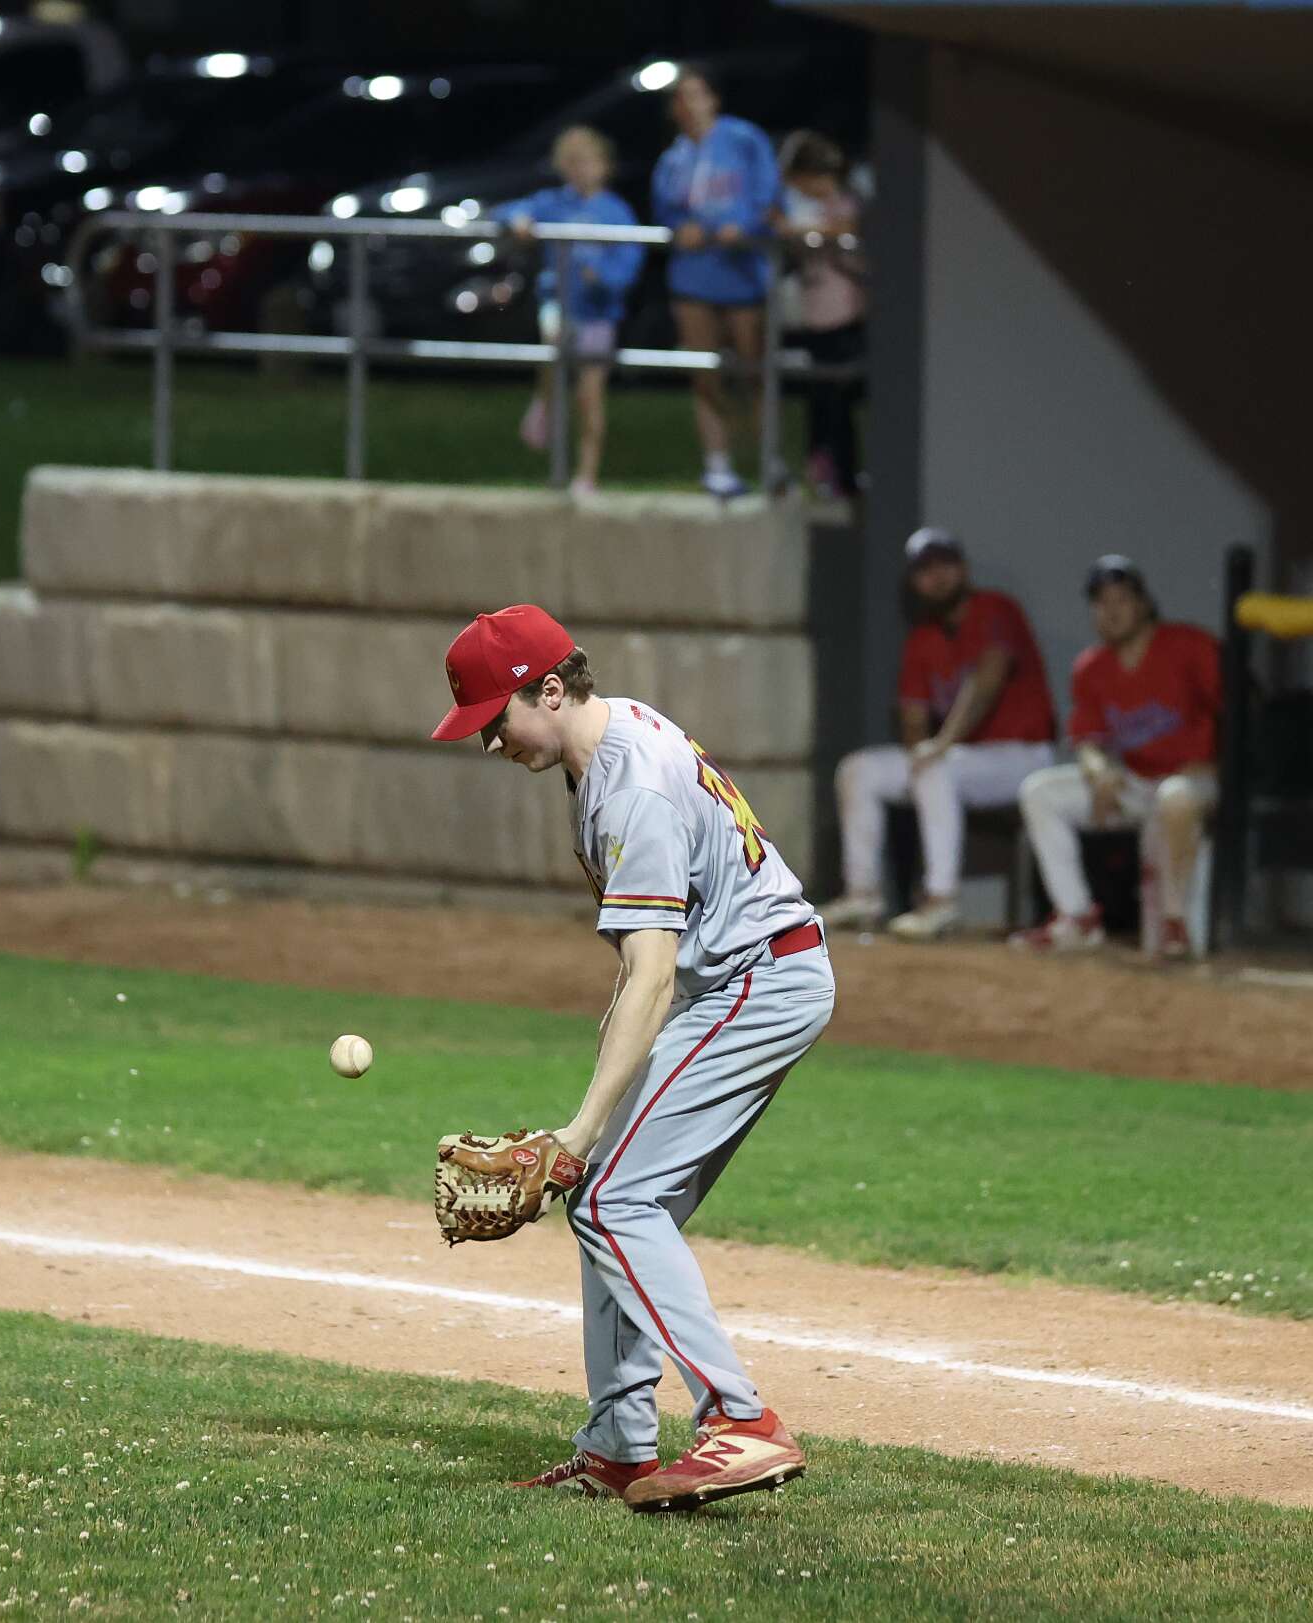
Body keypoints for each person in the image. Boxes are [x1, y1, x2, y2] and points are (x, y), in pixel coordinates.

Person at [431, 603, 831, 1512]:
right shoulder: (603, 755)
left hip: (757, 983)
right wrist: (588, 1130)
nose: (489, 742)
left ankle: (742, 1422)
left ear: (550, 690)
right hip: (735, 980)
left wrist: (577, 1132)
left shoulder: (631, 789)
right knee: (610, 1197)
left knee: (612, 1197)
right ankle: (618, 1444)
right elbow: (642, 973)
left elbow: (652, 977)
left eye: (495, 718)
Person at [826, 528, 1056, 939]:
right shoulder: (923, 638)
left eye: (945, 565)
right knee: (860, 769)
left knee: (937, 767)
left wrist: (941, 745)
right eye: (925, 570)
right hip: (961, 760)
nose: (937, 577)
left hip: (1023, 756)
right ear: (914, 582)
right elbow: (913, 719)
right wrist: (920, 753)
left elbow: (987, 679)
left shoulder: (996, 608)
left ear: (963, 569)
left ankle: (940, 900)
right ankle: (863, 895)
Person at [1012, 557, 1222, 958]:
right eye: (1101, 602)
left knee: (1175, 796)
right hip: (1138, 782)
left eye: (1122, 599)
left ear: (1143, 604)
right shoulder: (1091, 667)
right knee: (1040, 792)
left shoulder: (1189, 645)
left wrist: (1221, 760)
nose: (1111, 611)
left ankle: (1175, 923)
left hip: (1196, 780)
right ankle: (1077, 917)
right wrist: (1098, 770)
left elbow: (1243, 706)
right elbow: (1088, 741)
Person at [651, 65, 779, 499]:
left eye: (696, 94)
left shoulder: (743, 139)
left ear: (713, 99)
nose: (689, 105)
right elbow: (666, 210)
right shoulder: (672, 159)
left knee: (754, 370)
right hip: (694, 276)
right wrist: (680, 227)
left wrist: (743, 225)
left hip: (742, 273)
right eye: (680, 97)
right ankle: (718, 464)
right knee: (703, 373)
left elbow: (767, 195)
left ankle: (770, 459)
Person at [499, 126, 646, 498]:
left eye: (588, 162)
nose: (581, 170)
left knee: (589, 396)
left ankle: (586, 474)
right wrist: (518, 220)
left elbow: (630, 261)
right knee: (552, 340)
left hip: (597, 313)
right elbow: (505, 209)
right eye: (573, 162)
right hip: (559, 304)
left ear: (604, 165)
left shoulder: (616, 211)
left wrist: (604, 278)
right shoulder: (553, 203)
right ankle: (545, 403)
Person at [774, 131, 866, 500]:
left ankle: (844, 474)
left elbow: (846, 230)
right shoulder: (808, 209)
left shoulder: (848, 203)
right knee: (821, 397)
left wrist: (800, 229)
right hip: (817, 316)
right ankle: (823, 468)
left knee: (840, 397)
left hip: (846, 315)